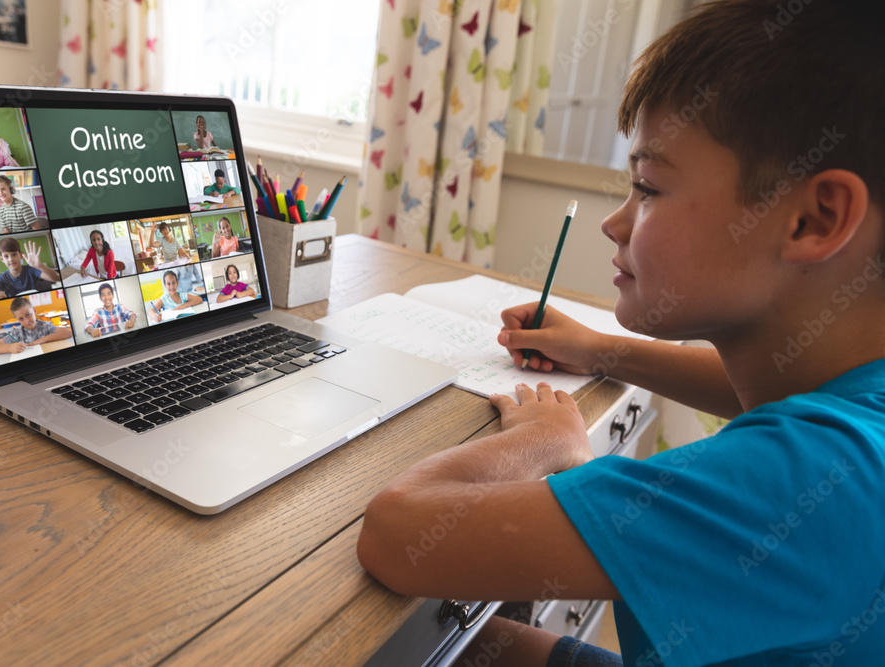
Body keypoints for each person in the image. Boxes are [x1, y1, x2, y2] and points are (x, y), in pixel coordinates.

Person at [357, 2, 885, 665]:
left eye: (648, 187)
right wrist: (598, 348)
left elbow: (397, 531)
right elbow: (758, 390)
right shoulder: (856, 404)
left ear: (815, 219)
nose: (615, 223)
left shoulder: (812, 478)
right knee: (456, 646)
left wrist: (546, 442)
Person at [0, 297, 71, 354]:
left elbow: (68, 332)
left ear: (34, 311)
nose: (27, 321)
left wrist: (43, 340)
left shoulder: (45, 326)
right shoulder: (17, 332)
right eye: (21, 319)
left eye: (28, 315)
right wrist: (9, 347)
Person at [0, 237, 61, 301]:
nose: (11, 259)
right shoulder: (2, 278)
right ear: (2, 259)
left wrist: (40, 265)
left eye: (14, 254)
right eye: (6, 256)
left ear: (21, 255)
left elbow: (57, 278)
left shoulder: (30, 269)